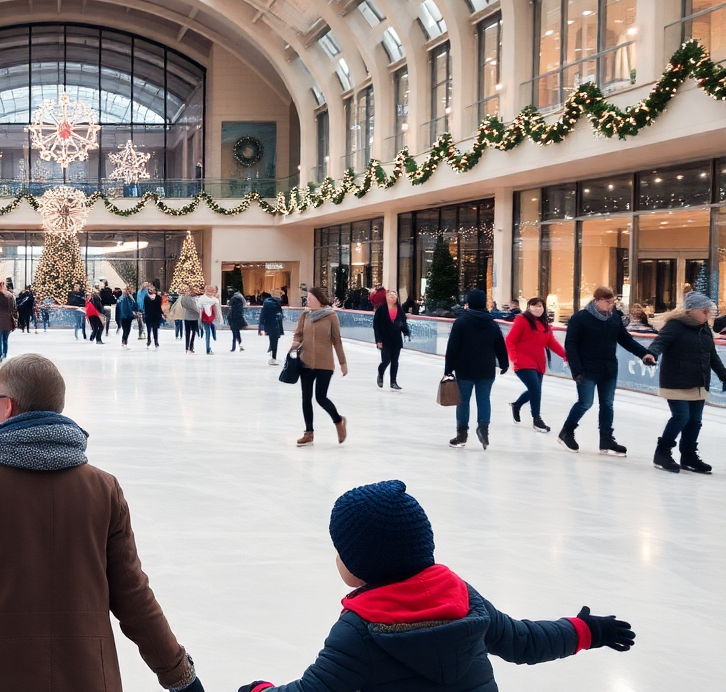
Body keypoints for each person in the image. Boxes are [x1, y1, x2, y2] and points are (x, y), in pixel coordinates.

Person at [0, 354, 205, 692]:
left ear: (9, 405)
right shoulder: (104, 488)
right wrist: (179, 675)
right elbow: (133, 597)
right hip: (85, 674)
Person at [238, 480, 636, 692]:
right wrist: (585, 630)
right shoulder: (462, 596)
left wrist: (258, 690)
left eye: (340, 551)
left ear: (362, 566)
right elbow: (523, 641)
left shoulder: (359, 632)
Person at [557, 286, 656, 456]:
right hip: (586, 369)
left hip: (608, 369)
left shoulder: (614, 317)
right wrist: (577, 370)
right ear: (597, 301)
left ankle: (606, 439)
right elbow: (571, 345)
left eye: (612, 302)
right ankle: (566, 432)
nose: (611, 305)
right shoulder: (580, 318)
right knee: (585, 403)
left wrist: (644, 354)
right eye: (608, 302)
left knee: (607, 404)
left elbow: (625, 339)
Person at [646, 292, 726, 474]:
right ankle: (662, 452)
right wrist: (651, 353)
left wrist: (724, 375)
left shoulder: (704, 329)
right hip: (677, 379)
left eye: (708, 310)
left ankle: (688, 456)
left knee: (695, 421)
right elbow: (660, 342)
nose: (707, 314)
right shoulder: (675, 325)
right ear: (691, 311)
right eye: (704, 310)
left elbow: (712, 356)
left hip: (699, 380)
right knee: (681, 416)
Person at [443, 290, 509, 450]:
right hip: (486, 369)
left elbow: (453, 347)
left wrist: (448, 369)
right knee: (484, 399)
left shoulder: (461, 322)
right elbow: (500, 345)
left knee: (463, 401)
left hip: (465, 369)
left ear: (469, 303)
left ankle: (461, 435)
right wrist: (504, 363)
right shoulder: (492, 323)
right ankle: (483, 429)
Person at [292, 286, 347, 447]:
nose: (307, 301)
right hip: (305, 362)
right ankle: (308, 432)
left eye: (310, 298)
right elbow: (298, 334)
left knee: (321, 397)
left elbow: (337, 340)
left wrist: (342, 362)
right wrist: (295, 344)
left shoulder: (331, 316)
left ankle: (338, 421)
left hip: (325, 363)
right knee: (306, 398)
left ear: (318, 299)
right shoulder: (305, 315)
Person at [505, 297, 567, 434]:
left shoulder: (544, 324)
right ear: (529, 307)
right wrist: (514, 358)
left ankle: (517, 405)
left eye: (541, 306)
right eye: (535, 305)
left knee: (535, 389)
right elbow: (510, 340)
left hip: (538, 362)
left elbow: (551, 342)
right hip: (523, 361)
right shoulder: (521, 320)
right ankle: (536, 419)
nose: (538, 308)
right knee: (535, 388)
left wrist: (565, 355)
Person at [372, 289, 410, 390]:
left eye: (394, 296)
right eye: (391, 296)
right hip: (384, 339)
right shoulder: (381, 310)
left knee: (395, 361)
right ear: (386, 297)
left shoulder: (400, 310)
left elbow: (403, 323)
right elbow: (376, 326)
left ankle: (393, 382)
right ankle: (380, 374)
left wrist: (406, 333)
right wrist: (378, 340)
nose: (393, 298)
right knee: (386, 360)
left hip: (396, 339)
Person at [259, 291, 285, 365]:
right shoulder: (276, 304)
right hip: (275, 325)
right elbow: (280, 316)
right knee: (274, 341)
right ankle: (273, 357)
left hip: (269, 324)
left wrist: (261, 326)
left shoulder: (267, 303)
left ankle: (273, 356)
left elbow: (262, 315)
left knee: (273, 340)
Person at [198, 285, 220, 355]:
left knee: (209, 331)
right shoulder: (205, 299)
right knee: (208, 332)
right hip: (205, 318)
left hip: (209, 318)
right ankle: (208, 348)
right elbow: (199, 308)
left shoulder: (213, 300)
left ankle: (209, 346)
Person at [180, 287, 201, 354]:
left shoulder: (184, 298)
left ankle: (188, 346)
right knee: (192, 332)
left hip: (188, 316)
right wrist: (200, 312)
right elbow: (195, 307)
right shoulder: (191, 299)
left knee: (188, 332)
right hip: (193, 317)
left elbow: (183, 305)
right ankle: (190, 346)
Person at [141, 285, 163, 349]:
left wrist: (161, 313)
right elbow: (145, 306)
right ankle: (148, 340)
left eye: (152, 289)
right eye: (149, 290)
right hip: (148, 315)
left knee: (155, 329)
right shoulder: (146, 297)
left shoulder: (158, 297)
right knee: (148, 329)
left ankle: (156, 341)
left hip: (156, 315)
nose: (150, 291)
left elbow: (159, 307)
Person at [228, 288, 248, 352]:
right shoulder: (240, 305)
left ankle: (234, 347)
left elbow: (229, 315)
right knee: (237, 333)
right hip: (238, 320)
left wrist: (229, 322)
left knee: (234, 334)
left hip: (233, 321)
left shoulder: (232, 308)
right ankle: (239, 345)